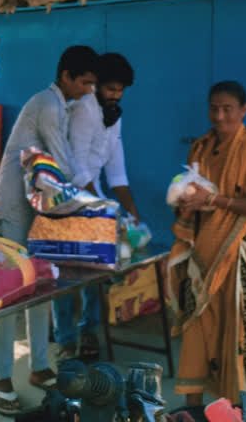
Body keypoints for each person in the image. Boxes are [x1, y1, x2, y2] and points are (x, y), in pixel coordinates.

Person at [168, 80, 246, 421]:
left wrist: (213, 199)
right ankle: (196, 414)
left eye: (227, 109)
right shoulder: (200, 148)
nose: (220, 116)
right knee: (198, 341)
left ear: (243, 110)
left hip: (244, 264)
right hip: (204, 263)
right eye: (214, 108)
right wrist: (187, 203)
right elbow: (190, 201)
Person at [0, 45, 99, 415]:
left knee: (41, 286)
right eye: (85, 82)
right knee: (9, 292)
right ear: (66, 76)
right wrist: (94, 207)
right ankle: (3, 378)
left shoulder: (64, 106)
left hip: (39, 207)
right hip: (12, 207)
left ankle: (38, 366)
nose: (89, 90)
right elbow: (64, 164)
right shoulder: (49, 106)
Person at [53, 52, 141, 360]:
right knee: (63, 275)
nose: (115, 96)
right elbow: (77, 167)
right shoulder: (84, 111)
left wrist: (131, 212)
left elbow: (117, 172)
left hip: (95, 197)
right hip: (67, 199)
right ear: (96, 86)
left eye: (120, 90)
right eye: (110, 89)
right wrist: (104, 208)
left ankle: (88, 330)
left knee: (95, 273)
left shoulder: (115, 116)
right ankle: (65, 340)